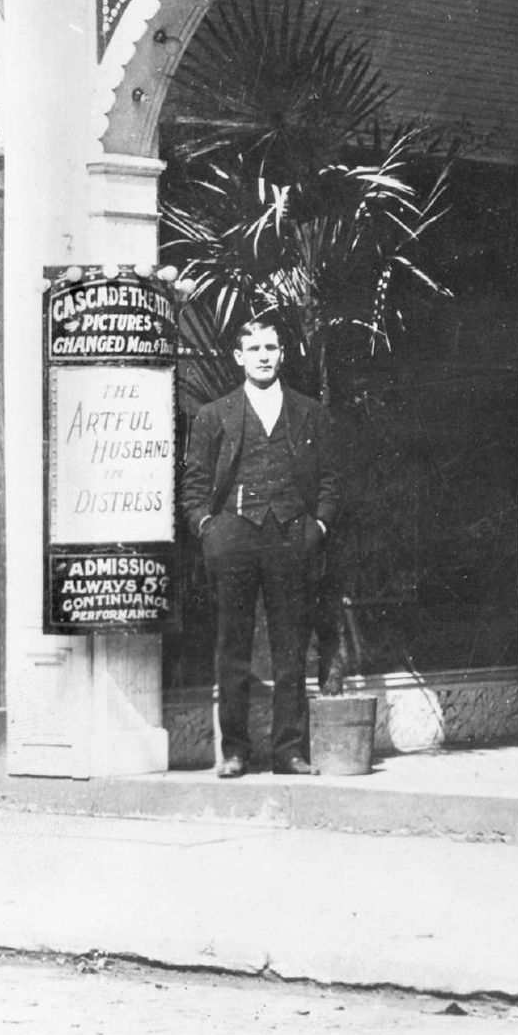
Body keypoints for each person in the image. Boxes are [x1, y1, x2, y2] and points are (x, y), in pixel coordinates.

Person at [182, 314, 340, 777]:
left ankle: (289, 751)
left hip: (293, 537)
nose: (263, 357)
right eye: (254, 350)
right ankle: (234, 751)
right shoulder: (216, 415)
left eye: (270, 348)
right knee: (233, 646)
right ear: (239, 357)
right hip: (234, 539)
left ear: (282, 354)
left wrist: (320, 527)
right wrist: (208, 527)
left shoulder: (309, 411)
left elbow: (330, 481)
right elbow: (193, 484)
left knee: (291, 647)